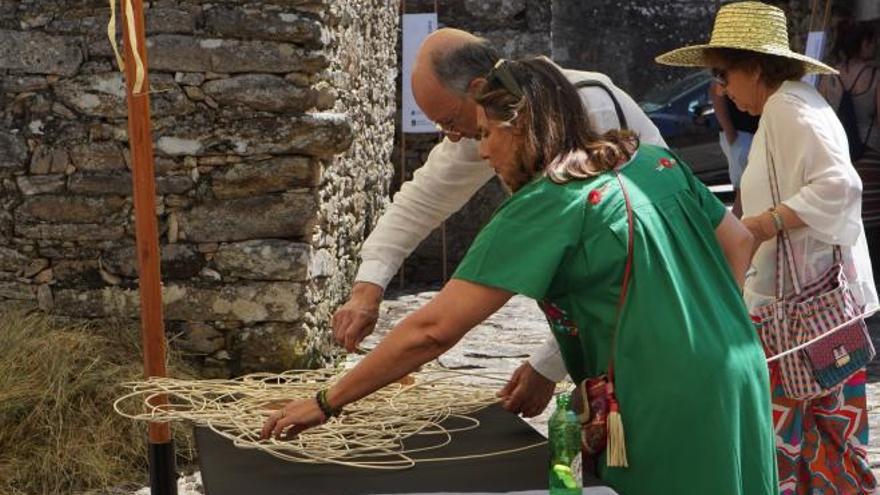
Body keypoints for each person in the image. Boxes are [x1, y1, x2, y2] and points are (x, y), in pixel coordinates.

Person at [263, 56, 777, 495]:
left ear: (524, 126)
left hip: (661, 395)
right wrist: (704, 321)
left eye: (488, 134)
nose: (483, 151)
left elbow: (434, 329)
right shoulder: (654, 161)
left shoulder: (548, 203)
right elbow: (737, 239)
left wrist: (326, 401)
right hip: (739, 365)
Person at [331, 28, 667, 418]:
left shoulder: (579, 140)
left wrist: (328, 402)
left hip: (650, 340)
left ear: (479, 91)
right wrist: (367, 289)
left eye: (455, 123)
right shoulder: (507, 137)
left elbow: (434, 330)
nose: (467, 144)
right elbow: (422, 198)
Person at [657, 2, 879, 493]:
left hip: (799, 315)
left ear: (755, 67)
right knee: (829, 446)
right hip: (814, 312)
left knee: (785, 445)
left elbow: (841, 187)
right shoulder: (794, 103)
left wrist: (759, 226)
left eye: (724, 73)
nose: (721, 88)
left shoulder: (787, 108)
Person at [819, 21, 880, 284]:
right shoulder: (874, 76)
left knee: (853, 222)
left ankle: (853, 280)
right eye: (870, 41)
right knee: (875, 225)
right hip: (871, 154)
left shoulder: (828, 75)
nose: (875, 46)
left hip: (840, 155)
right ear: (860, 42)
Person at [710, 80, 759, 217]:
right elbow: (715, 90)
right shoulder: (726, 72)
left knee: (750, 189)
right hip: (741, 134)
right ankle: (733, 232)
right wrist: (730, 132)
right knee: (744, 191)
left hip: (750, 133)